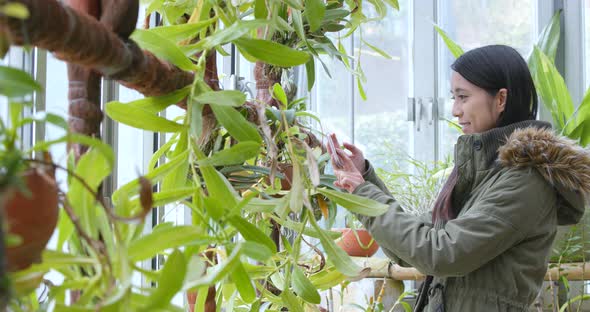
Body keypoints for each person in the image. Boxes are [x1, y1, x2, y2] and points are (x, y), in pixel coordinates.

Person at [327, 45, 590, 311]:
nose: (455, 110)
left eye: (463, 97)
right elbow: (410, 249)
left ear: (500, 99)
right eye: (453, 97)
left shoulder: (526, 181)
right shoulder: (487, 172)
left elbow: (441, 253)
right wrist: (364, 179)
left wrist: (363, 193)